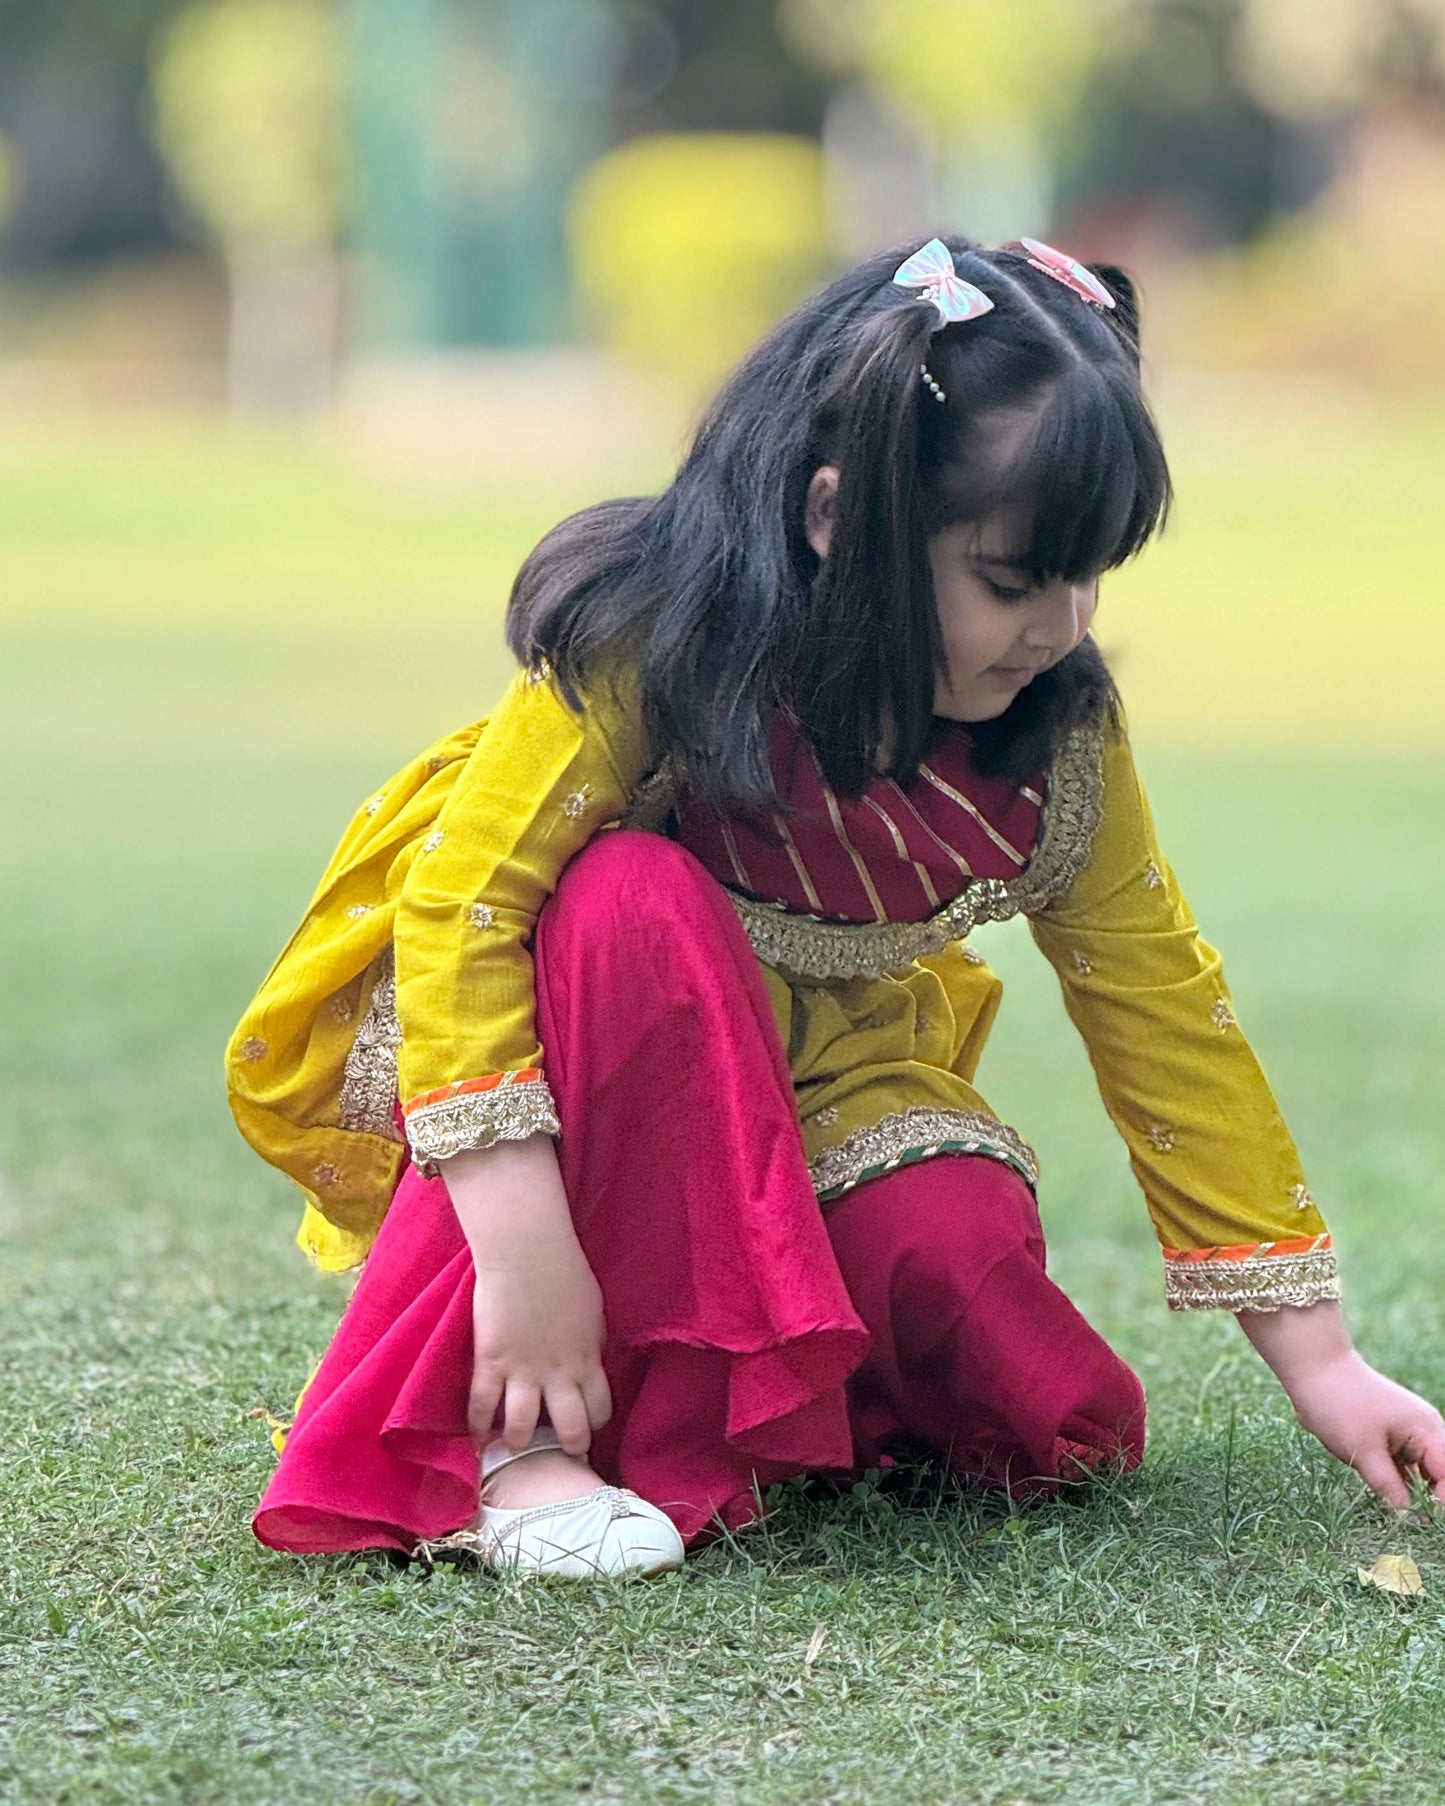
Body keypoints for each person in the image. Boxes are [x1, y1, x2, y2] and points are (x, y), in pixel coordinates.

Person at [229, 234, 1445, 1580]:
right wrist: (525, 1257)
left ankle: (716, 1401)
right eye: (1010, 578)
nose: (1060, 622)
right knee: (632, 893)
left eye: (1088, 573)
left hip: (824, 1077)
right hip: (580, 1067)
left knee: (1041, 1406)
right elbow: (464, 906)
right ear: (832, 517)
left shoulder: (1056, 740)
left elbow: (1161, 1009)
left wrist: (1323, 1361)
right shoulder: (656, 638)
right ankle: (517, 1444)